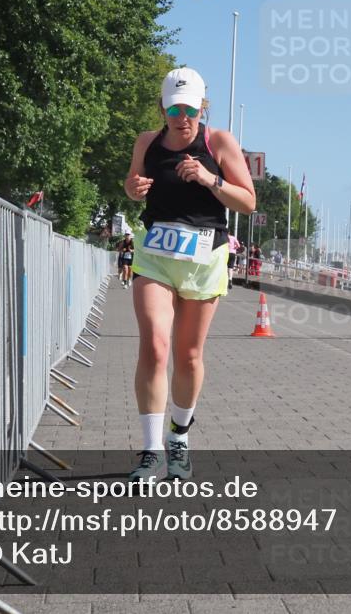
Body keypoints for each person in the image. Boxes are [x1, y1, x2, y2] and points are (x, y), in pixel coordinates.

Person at [124, 67, 256, 482]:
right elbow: (131, 182)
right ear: (163, 107)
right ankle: (150, 450)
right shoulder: (147, 141)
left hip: (204, 257)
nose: (183, 117)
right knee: (156, 347)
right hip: (155, 256)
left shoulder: (218, 142)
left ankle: (179, 437)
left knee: (189, 355)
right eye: (175, 108)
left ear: (204, 106)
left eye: (192, 109)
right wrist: (134, 188)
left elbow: (248, 202)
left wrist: (209, 178)